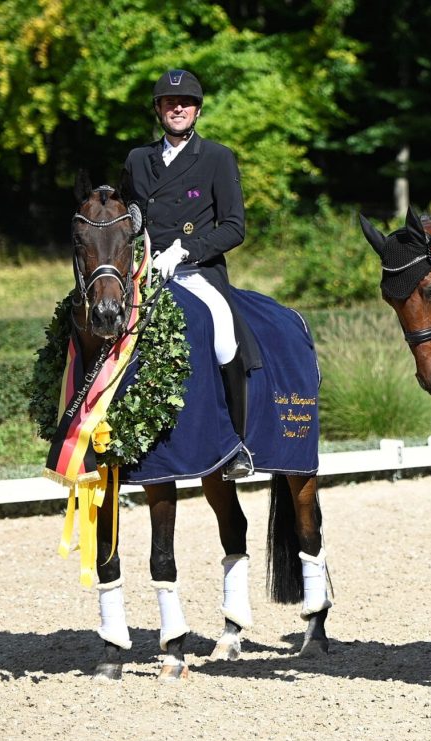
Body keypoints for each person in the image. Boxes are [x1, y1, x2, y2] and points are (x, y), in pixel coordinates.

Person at [123, 68, 260, 479]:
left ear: (197, 111)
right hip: (146, 271)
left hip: (197, 272)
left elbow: (234, 226)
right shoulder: (137, 160)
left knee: (222, 337)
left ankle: (237, 444)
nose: (176, 108)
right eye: (168, 103)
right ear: (159, 110)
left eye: (184, 103)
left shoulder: (217, 157)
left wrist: (185, 250)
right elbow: (126, 219)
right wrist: (138, 250)